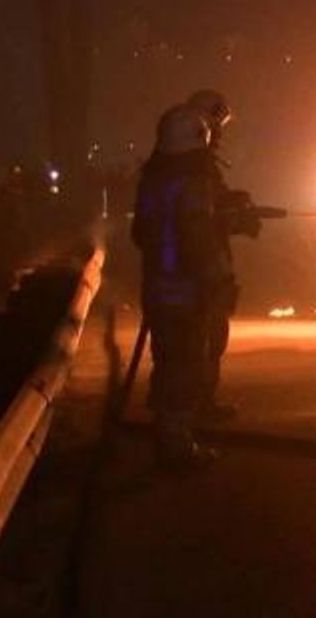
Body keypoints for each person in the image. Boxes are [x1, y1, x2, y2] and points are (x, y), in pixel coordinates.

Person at [131, 105, 225, 468]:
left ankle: (167, 431)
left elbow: (140, 234)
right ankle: (177, 445)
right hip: (187, 290)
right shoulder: (193, 185)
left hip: (157, 286)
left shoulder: (152, 182)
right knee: (186, 366)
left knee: (167, 360)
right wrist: (218, 277)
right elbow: (199, 237)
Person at [185, 89, 260, 424]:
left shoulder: (191, 167)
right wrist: (234, 217)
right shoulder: (193, 169)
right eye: (218, 125)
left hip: (192, 269)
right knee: (198, 342)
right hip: (198, 272)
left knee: (204, 340)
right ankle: (187, 417)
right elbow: (199, 222)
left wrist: (234, 206)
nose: (221, 134)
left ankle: (197, 406)